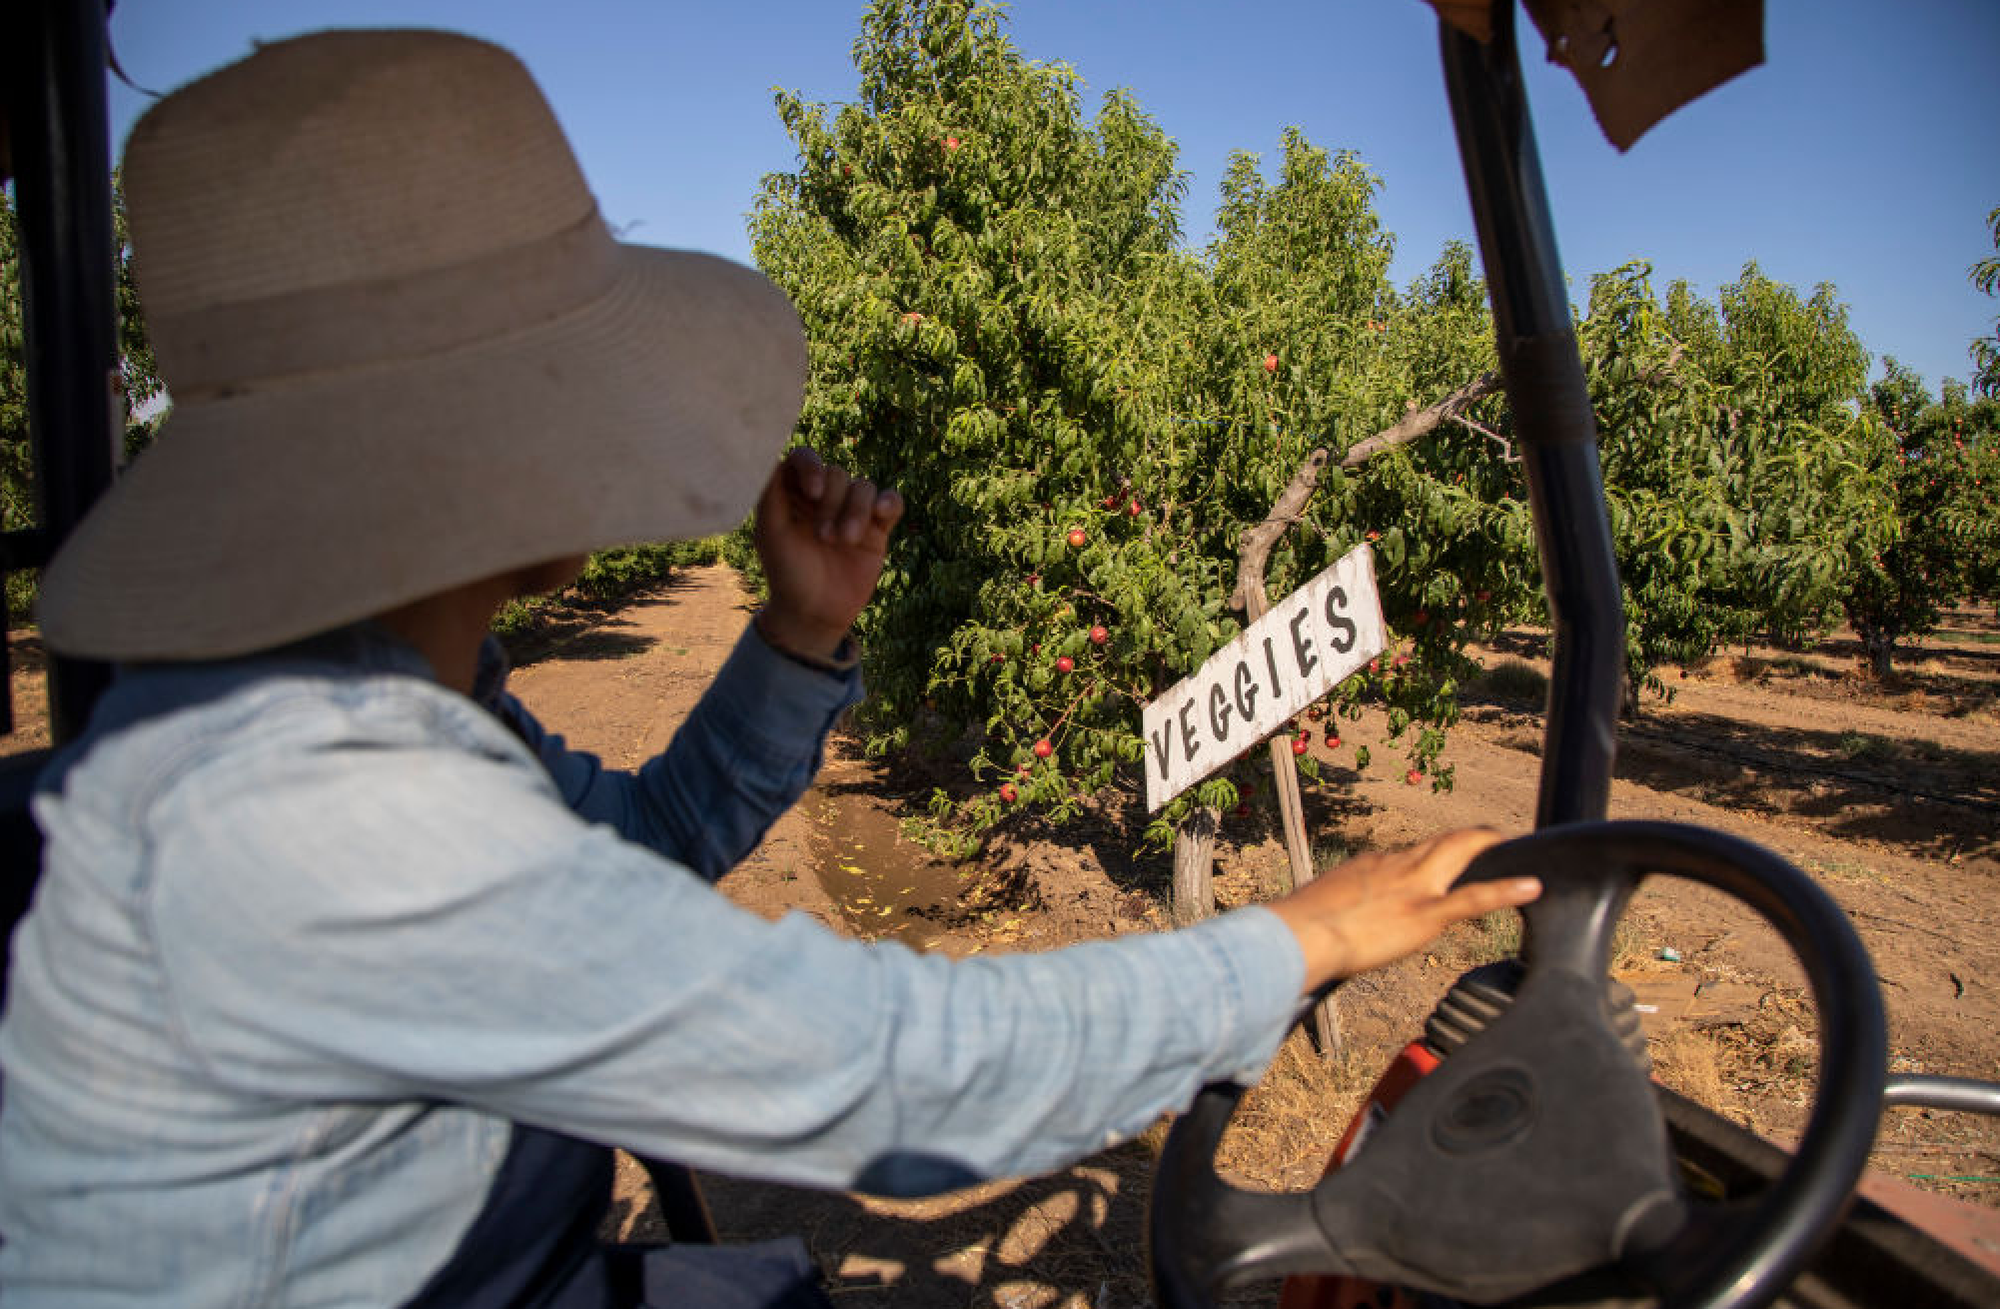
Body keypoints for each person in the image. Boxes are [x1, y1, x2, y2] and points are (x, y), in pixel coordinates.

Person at [0, 29, 1540, 1308]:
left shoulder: (362, 701)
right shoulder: (323, 817)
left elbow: (640, 849)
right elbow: (891, 1075)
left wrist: (799, 636)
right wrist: (1304, 937)